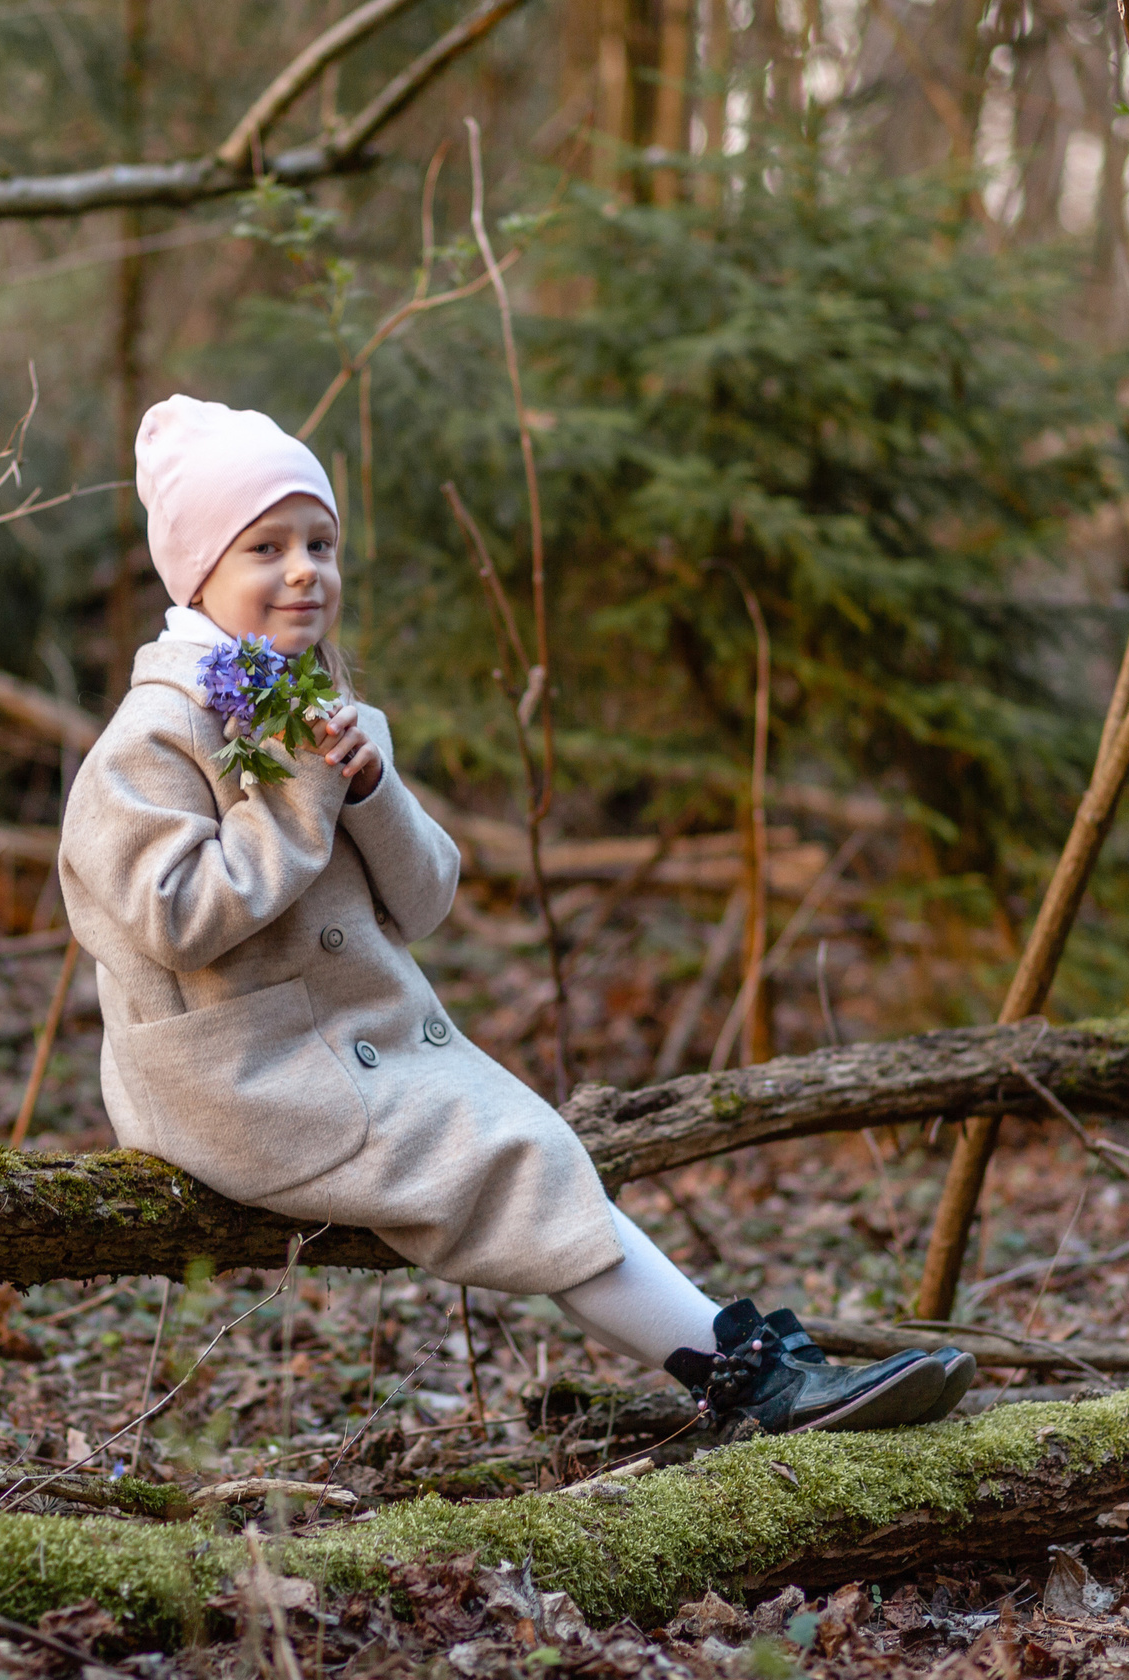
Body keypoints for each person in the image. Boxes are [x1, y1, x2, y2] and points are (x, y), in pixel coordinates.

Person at [56, 395, 973, 1436]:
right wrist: (300, 799)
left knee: (529, 1138)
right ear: (197, 575)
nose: (305, 568)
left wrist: (365, 789)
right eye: (264, 546)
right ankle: (741, 1378)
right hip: (232, 1076)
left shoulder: (318, 705)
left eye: (321, 540)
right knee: (512, 1150)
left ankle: (734, 1357)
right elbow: (172, 918)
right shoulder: (152, 737)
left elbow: (426, 898)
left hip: (343, 1041)